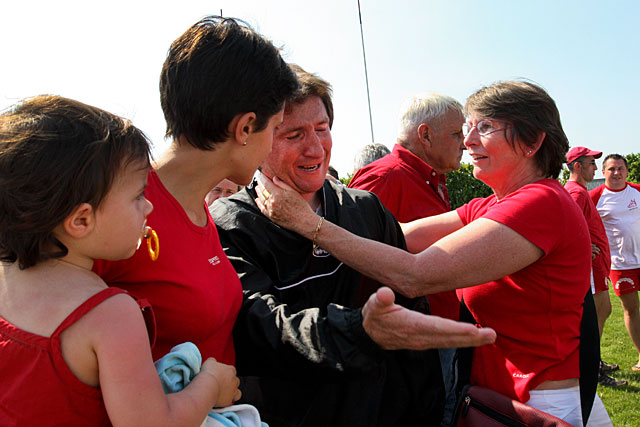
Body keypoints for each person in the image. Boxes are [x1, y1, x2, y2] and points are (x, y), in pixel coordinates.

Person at [257, 80, 612, 426]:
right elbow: (396, 236)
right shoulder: (489, 205)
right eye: (468, 128)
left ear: (532, 141)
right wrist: (317, 197)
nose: (468, 141)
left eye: (484, 128)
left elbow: (414, 274)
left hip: (538, 402)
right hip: (508, 396)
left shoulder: (540, 203)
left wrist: (308, 224)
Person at [211, 65, 495, 427]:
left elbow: (412, 318)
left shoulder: (365, 209)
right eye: (294, 134)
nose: (315, 147)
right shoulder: (230, 223)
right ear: (257, 137)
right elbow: (261, 329)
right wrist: (360, 332)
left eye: (322, 128)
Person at [0, 95, 240, 425]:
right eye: (138, 195)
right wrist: (212, 384)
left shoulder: (6, 282)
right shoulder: (110, 315)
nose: (149, 207)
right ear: (81, 220)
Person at [93, 15, 300, 363]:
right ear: (246, 128)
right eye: (276, 128)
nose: (273, 144)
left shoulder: (200, 208)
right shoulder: (113, 210)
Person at [348, 91, 466, 425]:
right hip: (410, 341)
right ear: (425, 134)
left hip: (437, 327)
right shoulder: (384, 177)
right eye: (457, 133)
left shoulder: (430, 177)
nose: (465, 142)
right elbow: (356, 256)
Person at [565, 147, 626, 387]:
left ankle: (594, 361)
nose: (594, 168)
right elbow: (566, 225)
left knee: (601, 312)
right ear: (578, 166)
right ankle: (592, 366)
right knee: (596, 316)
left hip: (595, 265)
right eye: (591, 163)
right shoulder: (577, 193)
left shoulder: (578, 191)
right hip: (590, 267)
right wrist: (583, 245)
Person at [590, 154, 640, 373]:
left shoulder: (637, 191)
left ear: (627, 171)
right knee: (631, 310)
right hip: (620, 265)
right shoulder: (595, 196)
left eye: (620, 169)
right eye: (611, 169)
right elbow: (575, 219)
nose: (616, 173)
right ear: (603, 173)